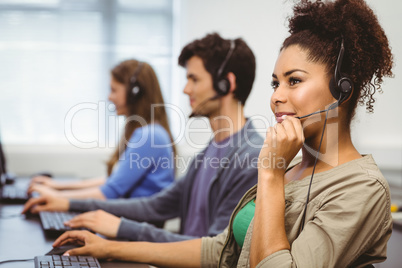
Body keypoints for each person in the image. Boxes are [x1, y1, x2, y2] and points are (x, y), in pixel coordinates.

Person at [33, 0, 393, 266]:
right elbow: (219, 250)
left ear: (342, 89)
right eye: (275, 83)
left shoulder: (358, 188)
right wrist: (108, 245)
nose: (276, 96)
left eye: (293, 81)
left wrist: (269, 173)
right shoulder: (290, 167)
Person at [23, 33, 264, 243]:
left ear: (226, 83)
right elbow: (156, 205)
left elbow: (215, 249)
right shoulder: (211, 150)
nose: (185, 89)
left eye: (194, 79)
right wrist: (71, 205)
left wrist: (119, 229)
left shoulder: (250, 158)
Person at [28, 60, 176, 200]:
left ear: (134, 94)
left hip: (136, 222)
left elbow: (110, 192)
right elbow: (114, 180)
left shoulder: (150, 136)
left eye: (114, 90)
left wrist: (55, 196)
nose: (109, 97)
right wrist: (58, 187)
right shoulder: (147, 131)